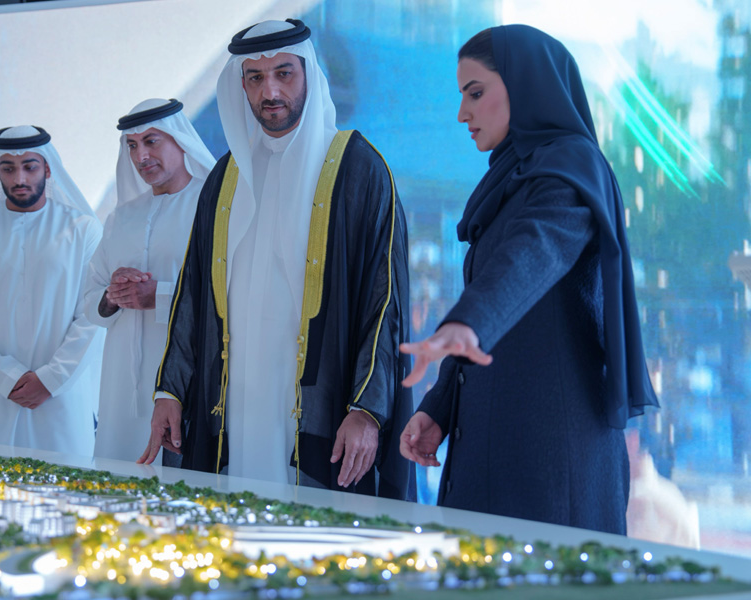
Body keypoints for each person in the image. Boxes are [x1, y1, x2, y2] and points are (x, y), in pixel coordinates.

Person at [398, 25, 659, 533]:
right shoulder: (511, 177)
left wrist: (468, 322)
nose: (462, 113)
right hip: (496, 449)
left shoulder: (572, 166)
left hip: (549, 465)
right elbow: (492, 301)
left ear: (526, 86)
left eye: (476, 93)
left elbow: (535, 250)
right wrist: (439, 409)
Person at [141, 19, 415, 501]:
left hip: (322, 406)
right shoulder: (225, 177)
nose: (269, 91)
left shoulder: (358, 169)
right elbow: (193, 294)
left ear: (308, 73)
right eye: (255, 78)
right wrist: (171, 392)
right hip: (237, 405)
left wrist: (366, 409)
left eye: (284, 73)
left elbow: (384, 303)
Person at [0, 126, 105, 456]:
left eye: (30, 166)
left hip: (60, 399)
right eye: (8, 168)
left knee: (67, 485)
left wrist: (51, 380)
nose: (19, 179)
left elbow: (94, 315)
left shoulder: (84, 231)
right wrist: (7, 378)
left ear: (48, 169)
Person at [84, 99, 215, 463]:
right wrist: (112, 295)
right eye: (132, 145)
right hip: (120, 389)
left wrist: (160, 296)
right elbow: (90, 296)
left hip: (186, 384)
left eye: (151, 141)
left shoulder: (213, 206)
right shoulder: (121, 217)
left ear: (179, 140)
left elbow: (228, 294)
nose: (141, 156)